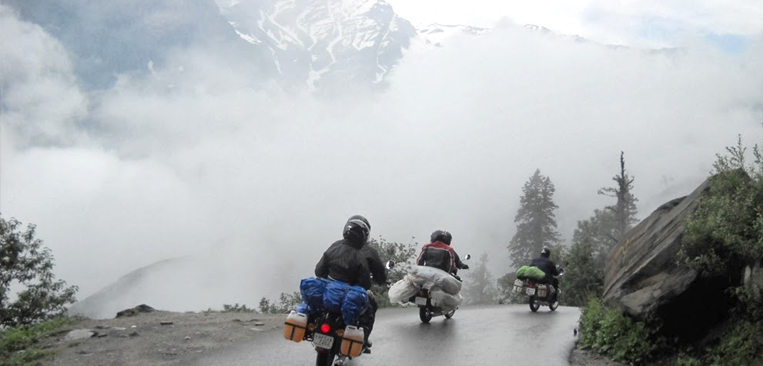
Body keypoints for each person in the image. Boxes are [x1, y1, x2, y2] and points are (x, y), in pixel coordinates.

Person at [314, 215, 381, 352]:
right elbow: (365, 284)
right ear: (364, 235)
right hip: (347, 294)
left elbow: (319, 271)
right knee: (371, 306)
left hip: (328, 291)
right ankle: (363, 340)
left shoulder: (333, 247)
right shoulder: (360, 256)